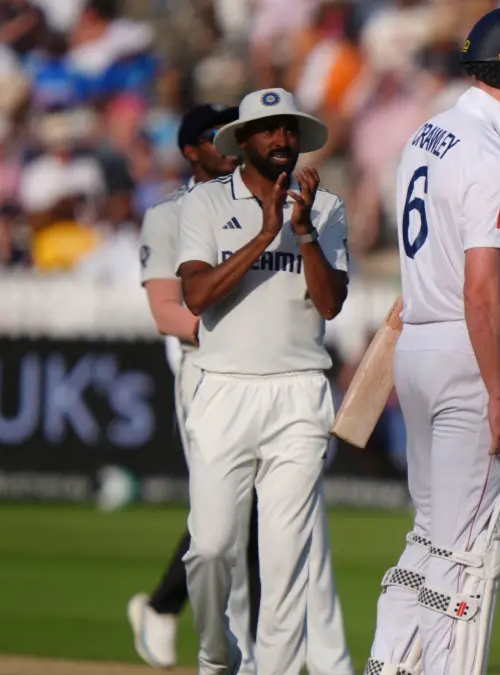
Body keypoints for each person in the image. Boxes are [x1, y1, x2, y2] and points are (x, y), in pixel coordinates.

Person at [365, 6, 500, 675]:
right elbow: (482, 288)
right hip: (464, 352)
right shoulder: (489, 156)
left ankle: (387, 661)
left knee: (429, 537)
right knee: (468, 553)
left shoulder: (427, 134)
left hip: (419, 347)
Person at [176, 87, 353, 675]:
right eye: (269, 129)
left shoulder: (325, 209)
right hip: (223, 388)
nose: (282, 140)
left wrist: (300, 231)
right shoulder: (203, 204)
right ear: (243, 141)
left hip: (299, 393)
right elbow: (196, 296)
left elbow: (330, 305)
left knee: (286, 565)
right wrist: (263, 233)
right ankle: (214, 650)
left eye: (290, 130)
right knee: (209, 549)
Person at [130, 102, 262, 671]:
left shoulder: (260, 202)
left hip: (264, 368)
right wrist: (228, 337)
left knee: (256, 509)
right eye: (217, 136)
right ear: (190, 150)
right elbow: (168, 312)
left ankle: (175, 612)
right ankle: (197, 629)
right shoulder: (170, 212)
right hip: (202, 368)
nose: (230, 144)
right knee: (227, 507)